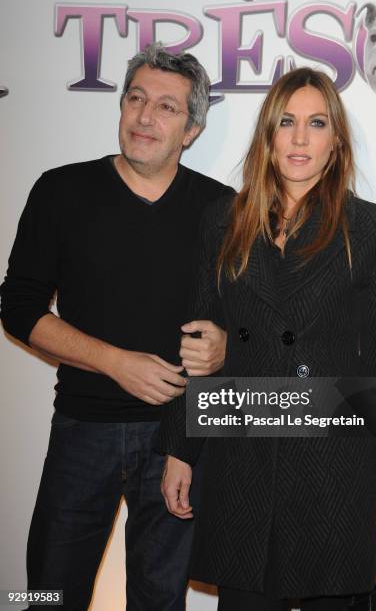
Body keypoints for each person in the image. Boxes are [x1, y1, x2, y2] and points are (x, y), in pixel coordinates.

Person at [158, 67, 376, 610]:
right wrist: (179, 449)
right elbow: (199, 343)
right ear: (267, 136)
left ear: (336, 141)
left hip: (333, 466)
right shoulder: (222, 222)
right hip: (243, 460)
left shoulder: (369, 227)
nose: (300, 138)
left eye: (317, 123)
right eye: (286, 122)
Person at [0, 43, 233, 610]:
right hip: (83, 429)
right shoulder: (60, 191)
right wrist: (115, 363)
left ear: (193, 129)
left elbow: (248, 323)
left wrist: (227, 345)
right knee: (49, 593)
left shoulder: (223, 210)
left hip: (179, 441)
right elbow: (18, 306)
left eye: (167, 108)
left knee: (159, 599)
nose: (145, 117)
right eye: (136, 99)